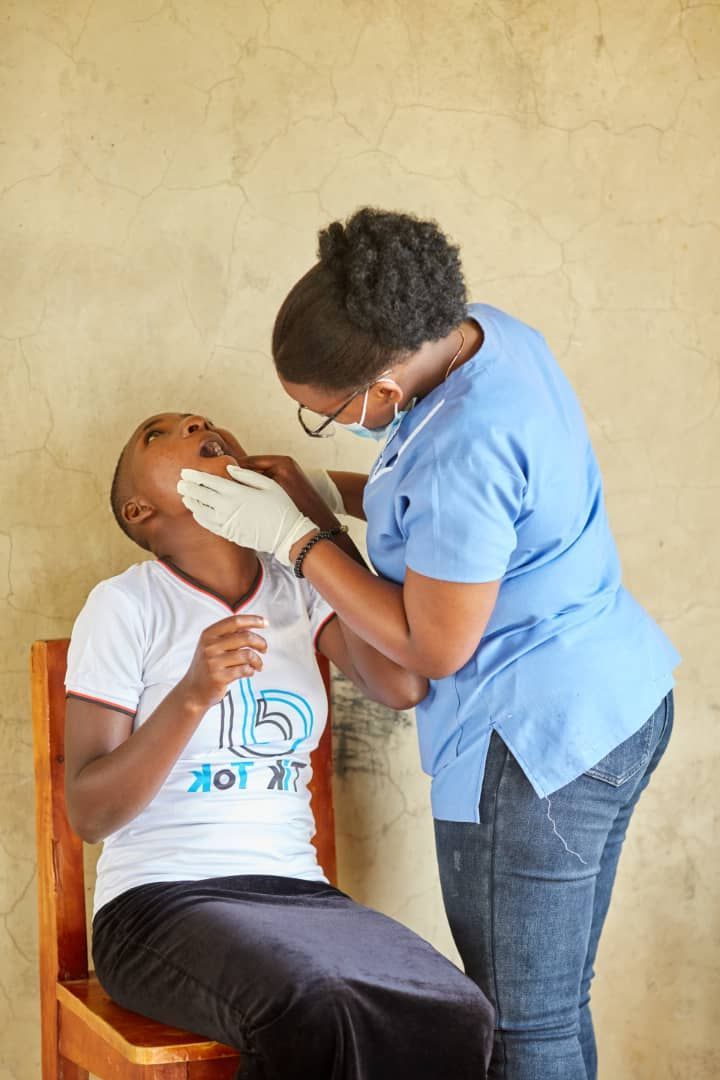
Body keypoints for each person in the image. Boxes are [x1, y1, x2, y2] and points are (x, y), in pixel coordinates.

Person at [178, 208, 681, 1080]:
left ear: (381, 381)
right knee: (553, 1007)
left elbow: (431, 648)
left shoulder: (465, 439)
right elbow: (454, 523)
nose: (335, 427)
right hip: (618, 699)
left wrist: (298, 542)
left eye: (325, 416)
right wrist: (316, 493)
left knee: (522, 1027)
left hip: (537, 748)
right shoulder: (483, 337)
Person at [64, 410, 494, 1080]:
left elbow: (401, 683)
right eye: (157, 432)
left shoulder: (298, 585)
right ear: (140, 509)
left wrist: (306, 527)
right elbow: (91, 814)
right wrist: (191, 695)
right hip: (160, 904)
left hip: (297, 897)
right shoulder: (127, 605)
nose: (195, 421)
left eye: (201, 421)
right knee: (311, 1005)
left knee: (459, 1008)